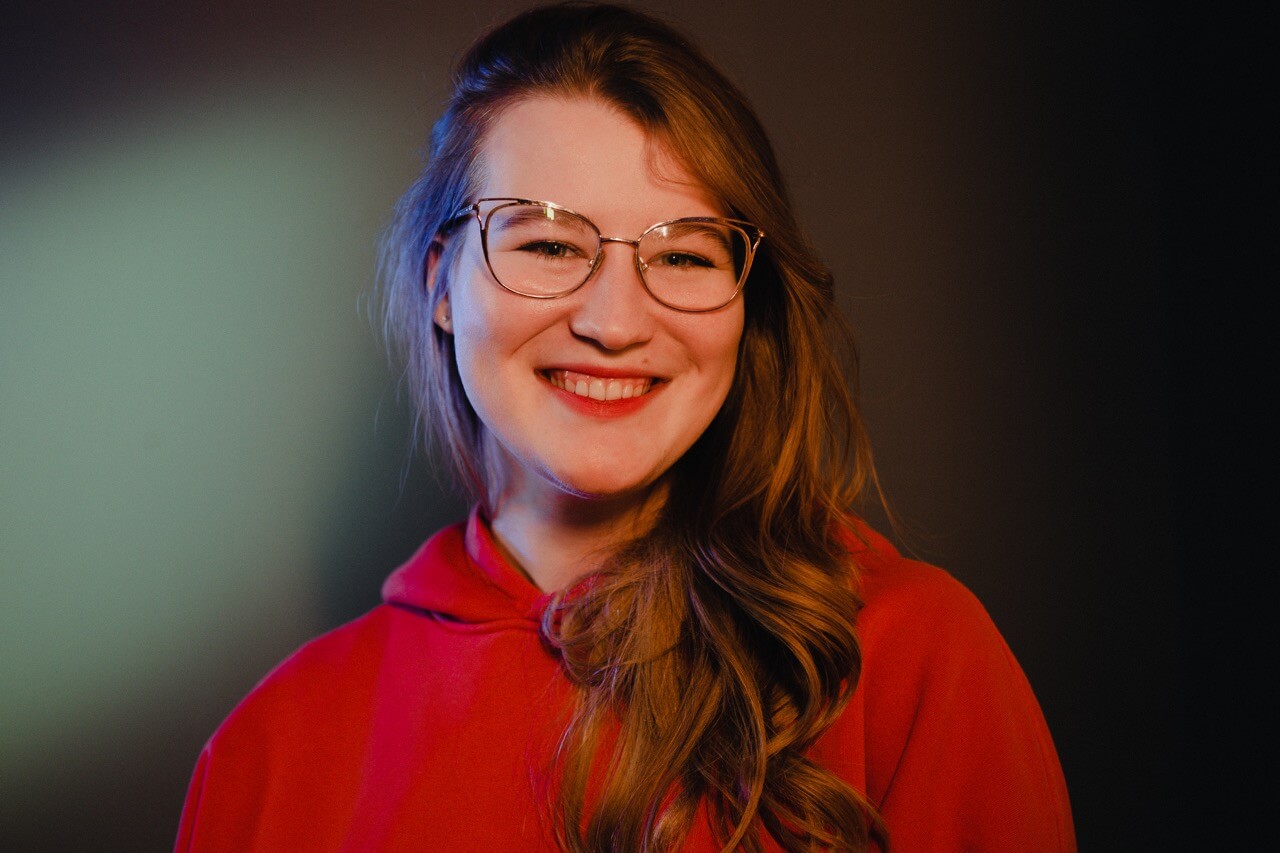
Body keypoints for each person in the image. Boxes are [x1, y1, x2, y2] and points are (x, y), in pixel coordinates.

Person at [175, 3, 1075, 851]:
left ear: (746, 304)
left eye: (682, 255)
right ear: (441, 283)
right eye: (548, 244)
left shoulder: (908, 657)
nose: (614, 322)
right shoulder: (270, 753)